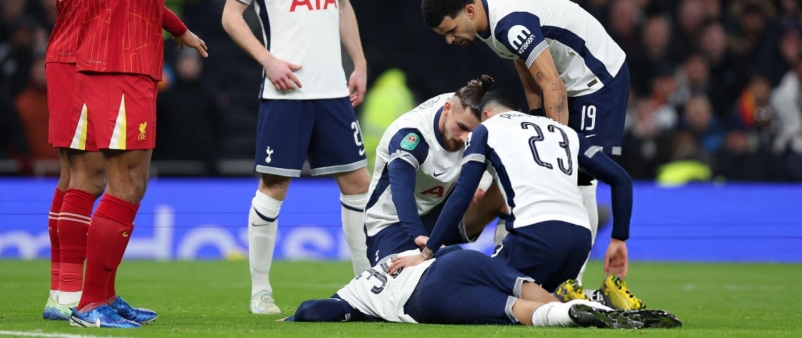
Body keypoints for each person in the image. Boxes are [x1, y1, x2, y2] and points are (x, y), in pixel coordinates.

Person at [42, 0, 218, 323]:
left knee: (123, 181)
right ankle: (84, 299)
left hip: (131, 62)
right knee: (115, 179)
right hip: (111, 62)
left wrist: (178, 29)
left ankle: (98, 295)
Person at [221, 0, 370, 315]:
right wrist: (268, 60)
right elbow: (231, 16)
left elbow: (342, 4)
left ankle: (366, 286)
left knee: (358, 182)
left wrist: (358, 63)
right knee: (274, 185)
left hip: (332, 92)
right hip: (286, 92)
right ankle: (260, 290)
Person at [421, 0, 630, 282]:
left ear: (468, 10)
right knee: (568, 176)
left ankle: (571, 283)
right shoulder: (485, 17)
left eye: (451, 30)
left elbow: (553, 85)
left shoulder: (510, 24)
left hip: (596, 78)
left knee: (579, 179)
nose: (450, 40)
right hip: (565, 78)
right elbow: (526, 68)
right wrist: (535, 117)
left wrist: (554, 146)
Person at [388, 89, 641, 310]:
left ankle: (595, 302)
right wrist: (619, 239)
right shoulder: (562, 131)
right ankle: (590, 301)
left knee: (473, 291)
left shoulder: (486, 130)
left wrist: (428, 251)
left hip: (535, 237)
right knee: (548, 308)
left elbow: (462, 195)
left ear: (485, 115)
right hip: (579, 239)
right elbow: (622, 180)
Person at [286, 247, 681, 329]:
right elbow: (452, 248)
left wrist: (297, 315)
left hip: (428, 297)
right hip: (456, 259)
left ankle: (577, 317)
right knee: (537, 294)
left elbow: (314, 311)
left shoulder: (353, 295)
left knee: (519, 312)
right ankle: (617, 314)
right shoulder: (401, 254)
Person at [365, 75, 506, 265]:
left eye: (472, 133)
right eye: (461, 128)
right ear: (447, 109)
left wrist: (482, 185)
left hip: (440, 214)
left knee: (506, 192)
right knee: (405, 281)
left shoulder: (478, 121)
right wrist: (418, 236)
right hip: (394, 222)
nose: (466, 139)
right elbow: (402, 189)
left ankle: (509, 267)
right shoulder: (412, 136)